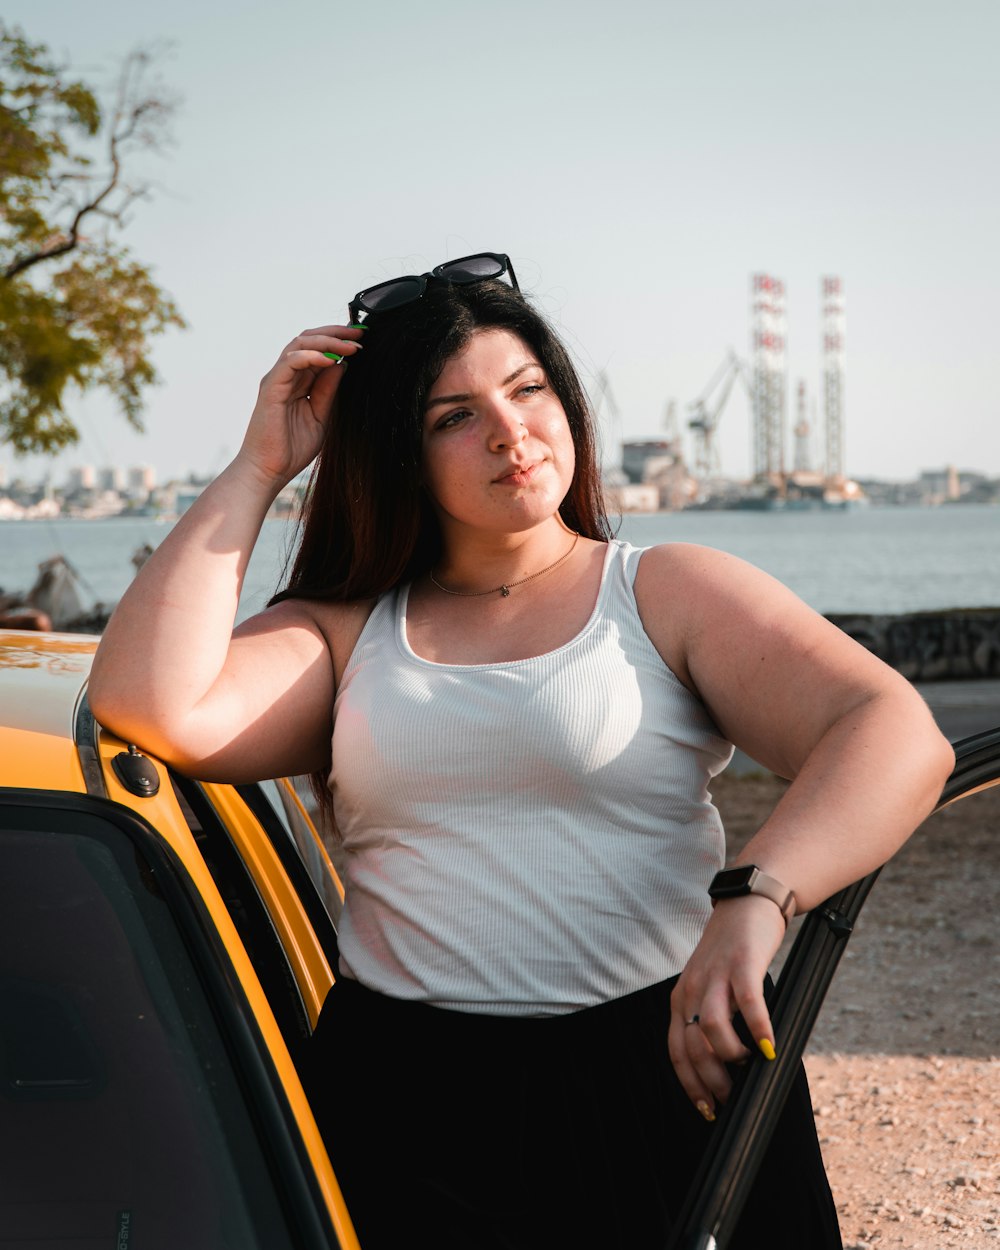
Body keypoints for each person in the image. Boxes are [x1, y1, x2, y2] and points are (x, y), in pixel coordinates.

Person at [89, 252, 954, 1250]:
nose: (510, 432)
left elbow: (892, 731)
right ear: (398, 450)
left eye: (526, 388)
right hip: (410, 1109)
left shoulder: (662, 590)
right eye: (453, 415)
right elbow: (152, 698)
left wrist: (756, 897)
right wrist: (259, 464)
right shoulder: (343, 630)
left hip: (669, 1072)